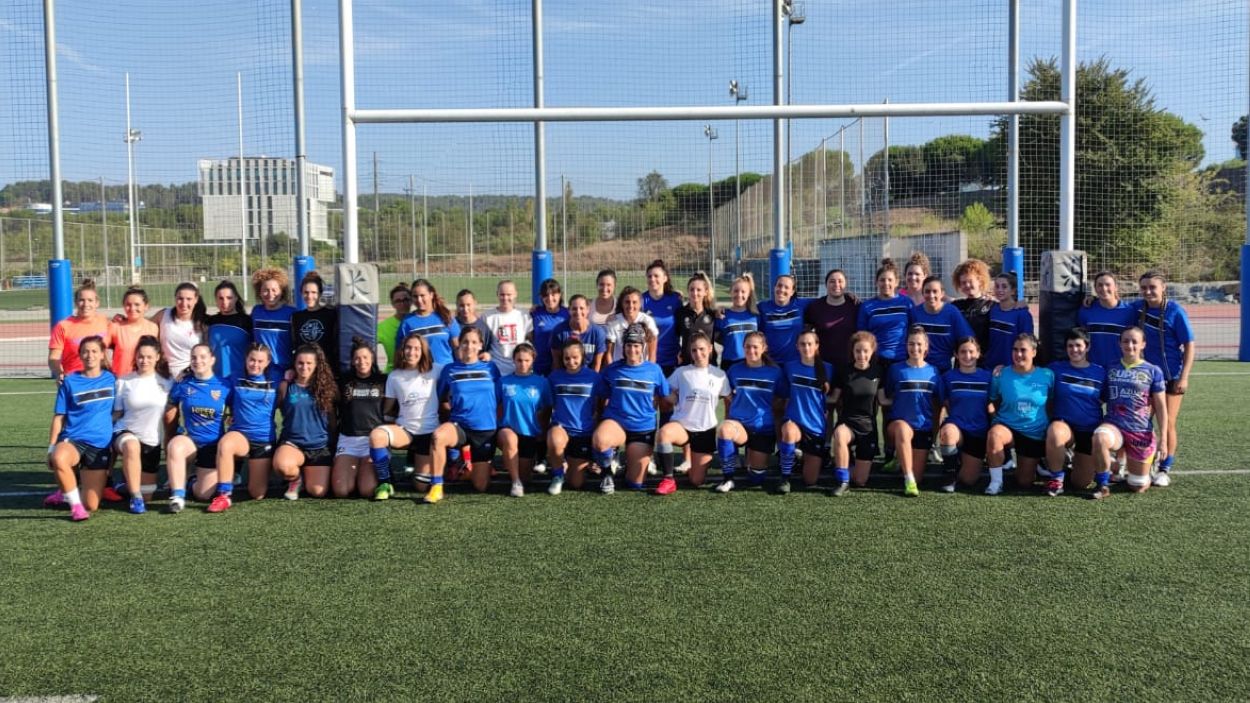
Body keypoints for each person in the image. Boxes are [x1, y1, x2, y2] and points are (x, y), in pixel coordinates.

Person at [1090, 326, 1168, 499]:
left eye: (1134, 341)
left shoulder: (1153, 371)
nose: (1130, 345)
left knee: (1137, 486)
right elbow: (1100, 398)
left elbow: (1161, 407)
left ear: (1143, 344)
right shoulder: (1110, 368)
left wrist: (1163, 439)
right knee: (1099, 437)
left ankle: (1144, 465)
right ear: (1119, 343)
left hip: (1139, 430)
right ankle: (1103, 485)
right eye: (1125, 341)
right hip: (1114, 426)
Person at [592, 323, 670, 494]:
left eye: (636, 345)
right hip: (617, 422)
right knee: (600, 440)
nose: (632, 350)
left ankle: (630, 463)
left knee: (635, 484)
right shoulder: (612, 370)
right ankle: (607, 473)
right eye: (628, 345)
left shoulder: (654, 370)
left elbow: (666, 396)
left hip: (642, 427)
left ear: (643, 347)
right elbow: (601, 394)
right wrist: (599, 419)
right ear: (623, 346)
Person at [1133, 271, 1194, 485]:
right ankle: (1143, 464)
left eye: (1153, 287)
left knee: (1167, 423)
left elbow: (1189, 345)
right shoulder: (1137, 307)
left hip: (1170, 376)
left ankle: (1164, 468)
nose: (1148, 291)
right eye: (1144, 288)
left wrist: (1184, 377)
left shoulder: (1175, 311)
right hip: (1145, 378)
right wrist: (1092, 299)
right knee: (1141, 421)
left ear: (1163, 287)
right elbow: (1113, 304)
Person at [45, 336, 115, 521]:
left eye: (94, 351)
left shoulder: (112, 380)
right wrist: (51, 448)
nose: (90, 355)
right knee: (59, 458)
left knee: (91, 504)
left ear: (102, 354)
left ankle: (64, 492)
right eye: (85, 351)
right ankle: (75, 507)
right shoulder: (70, 382)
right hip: (74, 440)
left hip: (99, 445)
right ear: (80, 355)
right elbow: (59, 417)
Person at [428, 327, 501, 502]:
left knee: (481, 486)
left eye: (474, 342)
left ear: (481, 345)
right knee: (438, 437)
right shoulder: (450, 369)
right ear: (459, 344)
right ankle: (436, 486)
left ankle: (466, 465)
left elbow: (498, 399)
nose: (469, 346)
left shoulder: (491, 368)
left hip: (484, 430)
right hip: (459, 426)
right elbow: (441, 399)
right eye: (465, 342)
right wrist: (449, 417)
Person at [368, 332, 443, 500]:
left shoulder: (436, 370)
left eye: (417, 348)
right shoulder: (394, 376)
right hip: (406, 431)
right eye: (408, 348)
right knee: (377, 436)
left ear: (423, 351)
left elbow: (456, 372)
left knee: (420, 486)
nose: (412, 352)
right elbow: (387, 409)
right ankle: (385, 482)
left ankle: (422, 465)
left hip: (429, 434)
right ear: (402, 350)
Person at [654, 332, 730, 495]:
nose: (698, 353)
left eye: (702, 349)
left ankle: (694, 468)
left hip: (705, 430)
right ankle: (668, 479)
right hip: (682, 426)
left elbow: (728, 398)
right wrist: (673, 398)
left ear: (710, 349)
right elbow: (665, 389)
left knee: (696, 481)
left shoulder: (720, 375)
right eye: (694, 350)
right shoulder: (682, 372)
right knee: (664, 433)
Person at [212, 343, 281, 510]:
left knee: (257, 493)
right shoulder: (235, 378)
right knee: (225, 444)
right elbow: (215, 388)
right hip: (240, 435)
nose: (255, 364)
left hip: (263, 439)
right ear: (246, 359)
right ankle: (224, 495)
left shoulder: (277, 379)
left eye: (260, 361)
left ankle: (258, 470)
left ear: (268, 362)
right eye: (252, 360)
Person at [164, 343, 231, 512]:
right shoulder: (183, 383)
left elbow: (236, 410)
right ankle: (177, 496)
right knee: (175, 445)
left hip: (212, 445)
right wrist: (174, 431)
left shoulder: (224, 385)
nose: (198, 361)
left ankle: (191, 480)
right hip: (191, 442)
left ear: (212, 360)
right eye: (194, 357)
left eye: (203, 357)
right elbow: (170, 407)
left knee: (203, 494)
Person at [985, 333, 1054, 495]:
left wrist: (1048, 427)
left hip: (1034, 433)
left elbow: (1051, 403)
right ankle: (996, 482)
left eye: (1023, 350)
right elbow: (991, 401)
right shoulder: (1001, 374)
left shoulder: (1047, 375)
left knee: (1024, 482)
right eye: (1015, 350)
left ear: (1034, 352)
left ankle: (1037, 460)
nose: (1018, 354)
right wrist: (995, 421)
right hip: (1007, 427)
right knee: (994, 434)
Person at [716, 331, 785, 492]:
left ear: (764, 348)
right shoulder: (734, 370)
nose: (751, 350)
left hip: (763, 428)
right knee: (725, 429)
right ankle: (728, 479)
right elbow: (726, 394)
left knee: (756, 479)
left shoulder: (775, 372)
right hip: (739, 426)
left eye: (755, 347)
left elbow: (782, 399)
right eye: (747, 347)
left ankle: (751, 459)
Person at [110, 335, 172, 514]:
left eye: (149, 357)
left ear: (157, 357)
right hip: (125, 433)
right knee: (132, 445)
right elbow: (117, 413)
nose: (144, 361)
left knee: (148, 496)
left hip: (151, 441)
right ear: (135, 357)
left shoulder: (167, 382)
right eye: (140, 356)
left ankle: (124, 486)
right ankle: (135, 497)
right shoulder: (124, 381)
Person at [1045, 328, 1105, 498]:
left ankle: (1073, 460)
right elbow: (1030, 373)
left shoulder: (1100, 372)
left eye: (1078, 345)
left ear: (1087, 347)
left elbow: (1106, 398)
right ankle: (1056, 479)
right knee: (1055, 432)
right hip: (1065, 426)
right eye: (1070, 346)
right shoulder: (1055, 369)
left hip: (1089, 429)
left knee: (1081, 483)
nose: (1074, 350)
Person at [881, 326, 941, 497]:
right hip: (898, 425)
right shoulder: (896, 369)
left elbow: (939, 402)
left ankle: (899, 459)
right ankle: (909, 480)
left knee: (919, 476)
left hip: (922, 428)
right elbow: (887, 395)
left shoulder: (934, 372)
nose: (915, 348)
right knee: (902, 429)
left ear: (926, 347)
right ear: (906, 346)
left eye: (919, 344)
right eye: (911, 344)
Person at [273, 344, 338, 500]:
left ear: (316, 365)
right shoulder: (286, 386)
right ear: (294, 364)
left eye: (309, 363)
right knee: (283, 466)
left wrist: (334, 443)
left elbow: (333, 418)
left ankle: (307, 472)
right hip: (293, 443)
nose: (304, 367)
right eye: (300, 363)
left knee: (317, 491)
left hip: (320, 446)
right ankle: (296, 479)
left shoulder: (328, 387)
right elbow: (270, 409)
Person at [776, 328, 834, 494]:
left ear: (816, 345)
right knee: (788, 431)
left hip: (815, 426)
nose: (806, 347)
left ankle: (801, 455)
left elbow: (833, 397)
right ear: (797, 346)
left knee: (810, 480)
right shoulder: (789, 367)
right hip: (794, 420)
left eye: (809, 344)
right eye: (802, 344)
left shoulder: (828, 369)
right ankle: (785, 478)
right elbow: (783, 393)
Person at [829, 331, 886, 495]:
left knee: (860, 481)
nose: (861, 355)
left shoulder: (878, 372)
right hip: (848, 422)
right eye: (858, 351)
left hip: (868, 427)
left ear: (872, 351)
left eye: (865, 351)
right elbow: (833, 398)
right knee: (840, 434)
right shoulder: (844, 371)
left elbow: (883, 400)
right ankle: (842, 481)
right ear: (852, 352)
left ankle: (849, 462)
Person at [545, 338, 604, 494]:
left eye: (575, 357)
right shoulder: (554, 377)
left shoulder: (594, 377)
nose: (571, 362)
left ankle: (573, 463)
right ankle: (558, 475)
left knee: (576, 483)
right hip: (561, 428)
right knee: (554, 439)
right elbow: (549, 404)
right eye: (567, 358)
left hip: (583, 433)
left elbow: (602, 404)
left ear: (582, 356)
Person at [331, 338, 387, 499]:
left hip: (373, 441)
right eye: (357, 358)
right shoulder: (343, 381)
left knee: (367, 490)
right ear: (352, 361)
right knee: (341, 491)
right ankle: (354, 472)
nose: (362, 362)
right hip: (348, 440)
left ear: (372, 359)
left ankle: (372, 470)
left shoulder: (383, 381)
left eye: (365, 357)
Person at [936, 337, 993, 492]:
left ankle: (958, 459)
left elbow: (992, 404)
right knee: (948, 432)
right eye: (963, 352)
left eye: (971, 352)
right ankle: (950, 473)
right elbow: (945, 403)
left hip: (978, 431)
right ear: (956, 354)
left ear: (978, 353)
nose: (967, 356)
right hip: (957, 427)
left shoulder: (988, 377)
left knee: (968, 480)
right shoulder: (948, 377)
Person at [498, 344, 553, 497]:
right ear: (513, 360)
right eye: (519, 360)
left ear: (533, 360)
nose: (523, 364)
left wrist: (542, 432)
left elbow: (547, 408)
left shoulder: (542, 383)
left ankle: (520, 474)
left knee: (526, 478)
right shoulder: (503, 382)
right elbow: (496, 406)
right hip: (507, 431)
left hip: (529, 433)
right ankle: (515, 482)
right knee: (510, 439)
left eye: (527, 360)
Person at [908, 275, 974, 373]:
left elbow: (967, 339)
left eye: (935, 291)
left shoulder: (952, 312)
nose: (931, 295)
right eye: (927, 291)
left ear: (942, 293)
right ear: (922, 293)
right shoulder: (915, 313)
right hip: (919, 368)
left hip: (944, 370)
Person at [857, 258, 913, 372]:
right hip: (876, 360)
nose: (886, 283)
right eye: (882, 280)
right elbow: (862, 335)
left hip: (902, 359)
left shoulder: (906, 303)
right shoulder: (867, 306)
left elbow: (913, 329)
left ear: (896, 282)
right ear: (876, 282)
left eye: (890, 280)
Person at [48, 279, 111, 380]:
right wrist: (60, 373)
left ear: (97, 303)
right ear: (76, 302)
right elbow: (53, 358)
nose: (86, 304)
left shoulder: (104, 321)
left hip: (102, 379)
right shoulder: (63, 326)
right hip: (75, 380)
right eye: (82, 300)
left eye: (90, 300)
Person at [1077, 271, 1135, 371]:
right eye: (1100, 285)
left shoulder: (1129, 311)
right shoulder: (1086, 310)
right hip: (1093, 369)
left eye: (1108, 285)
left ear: (1116, 287)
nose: (1104, 288)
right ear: (1095, 288)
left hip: (1120, 369)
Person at [396, 279, 461, 367]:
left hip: (444, 370)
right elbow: (400, 353)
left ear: (431, 295)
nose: (419, 300)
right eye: (415, 296)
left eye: (422, 295)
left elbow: (458, 348)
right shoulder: (407, 322)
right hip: (420, 372)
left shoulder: (446, 317)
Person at [805, 268, 859, 369]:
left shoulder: (855, 305)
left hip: (850, 364)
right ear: (826, 284)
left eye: (840, 281)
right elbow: (806, 331)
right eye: (832, 281)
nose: (836, 285)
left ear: (845, 284)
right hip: (824, 364)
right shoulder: (815, 307)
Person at [152, 282, 208, 378]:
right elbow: (143, 327)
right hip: (163, 375)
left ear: (196, 300)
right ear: (175, 298)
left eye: (189, 299)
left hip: (191, 377)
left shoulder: (203, 322)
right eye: (180, 299)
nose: (184, 303)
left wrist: (188, 371)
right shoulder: (163, 315)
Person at [206, 280, 253, 384]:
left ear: (236, 298)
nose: (225, 302)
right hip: (215, 379)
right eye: (220, 298)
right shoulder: (210, 321)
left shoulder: (247, 321)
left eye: (229, 298)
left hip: (240, 379)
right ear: (216, 299)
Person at [251, 267, 297, 371]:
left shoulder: (291, 313)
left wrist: (292, 369)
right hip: (260, 370)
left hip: (284, 371)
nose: (270, 294)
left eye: (274, 290)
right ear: (259, 292)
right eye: (266, 290)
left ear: (281, 291)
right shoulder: (256, 312)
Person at [643, 259, 684, 376]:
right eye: (649, 276)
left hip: (672, 359)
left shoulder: (675, 299)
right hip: (648, 360)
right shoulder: (640, 300)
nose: (652, 279)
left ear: (665, 278)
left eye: (656, 276)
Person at [291, 270, 339, 372]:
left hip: (326, 368)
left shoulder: (331, 314)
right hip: (304, 369)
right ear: (301, 293)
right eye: (306, 292)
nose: (309, 296)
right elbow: (295, 345)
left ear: (320, 294)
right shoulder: (297, 317)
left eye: (313, 292)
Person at [986, 272, 1034, 371]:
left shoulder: (1022, 314)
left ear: (1013, 291)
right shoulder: (992, 309)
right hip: (990, 366)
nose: (1000, 290)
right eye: (997, 286)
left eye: (1004, 287)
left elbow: (1027, 343)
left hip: (1012, 368)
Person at [759, 274, 811, 366]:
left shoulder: (801, 305)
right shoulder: (762, 307)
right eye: (779, 285)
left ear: (792, 292)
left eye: (786, 287)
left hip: (795, 362)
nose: (782, 290)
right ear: (774, 287)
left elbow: (825, 301)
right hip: (770, 363)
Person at [108, 287, 159, 377]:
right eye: (128, 304)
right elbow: (101, 349)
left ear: (146, 306)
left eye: (137, 304)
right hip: (122, 379)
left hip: (145, 379)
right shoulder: (115, 327)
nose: (132, 308)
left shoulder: (153, 328)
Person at [550, 294, 607, 372]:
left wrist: (592, 378)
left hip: (589, 376)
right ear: (569, 310)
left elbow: (597, 364)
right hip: (567, 375)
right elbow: (557, 362)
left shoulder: (598, 332)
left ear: (588, 310)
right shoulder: (559, 331)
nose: (578, 312)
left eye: (581, 308)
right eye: (574, 309)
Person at [486, 280, 531, 376]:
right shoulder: (487, 316)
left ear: (515, 294)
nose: (505, 298)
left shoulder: (524, 315)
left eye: (509, 294)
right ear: (497, 294)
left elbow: (531, 340)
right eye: (502, 294)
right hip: (496, 371)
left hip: (519, 371)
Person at [715, 274, 760, 370]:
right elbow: (717, 337)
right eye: (736, 291)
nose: (739, 295)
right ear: (730, 292)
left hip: (752, 361)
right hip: (730, 363)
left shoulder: (755, 315)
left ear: (749, 294)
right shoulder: (723, 315)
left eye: (743, 292)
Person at [951, 258, 995, 355]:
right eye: (963, 282)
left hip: (984, 358)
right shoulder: (956, 306)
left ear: (979, 281)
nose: (967, 285)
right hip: (963, 358)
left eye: (970, 281)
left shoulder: (991, 305)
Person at [604, 286, 659, 364]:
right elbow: (609, 353)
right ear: (622, 303)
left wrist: (649, 369)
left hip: (642, 367)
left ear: (640, 304)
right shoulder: (613, 322)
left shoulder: (648, 321)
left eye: (634, 302)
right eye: (627, 302)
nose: (631, 306)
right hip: (620, 367)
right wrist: (612, 369)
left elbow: (652, 353)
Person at [675, 272, 717, 367]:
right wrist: (678, 352)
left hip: (708, 365)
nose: (695, 293)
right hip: (687, 364)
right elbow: (674, 336)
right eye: (692, 289)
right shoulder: (680, 313)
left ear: (705, 292)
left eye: (699, 290)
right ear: (688, 291)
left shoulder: (712, 314)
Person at [531, 278, 570, 376]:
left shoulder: (567, 313)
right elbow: (529, 335)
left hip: (563, 363)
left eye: (553, 294)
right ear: (541, 297)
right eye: (546, 295)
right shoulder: (535, 313)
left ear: (560, 294)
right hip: (540, 364)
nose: (549, 298)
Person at [378, 283, 412, 373]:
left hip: (417, 373)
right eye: (398, 301)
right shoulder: (383, 326)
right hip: (392, 373)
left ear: (411, 301)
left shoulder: (419, 322)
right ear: (393, 304)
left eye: (406, 300)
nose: (402, 303)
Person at [454, 288, 494, 362]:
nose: (465, 309)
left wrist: (487, 355)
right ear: (457, 305)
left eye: (468, 305)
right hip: (456, 366)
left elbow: (488, 350)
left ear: (475, 303)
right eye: (462, 305)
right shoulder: (452, 325)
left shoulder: (483, 327)